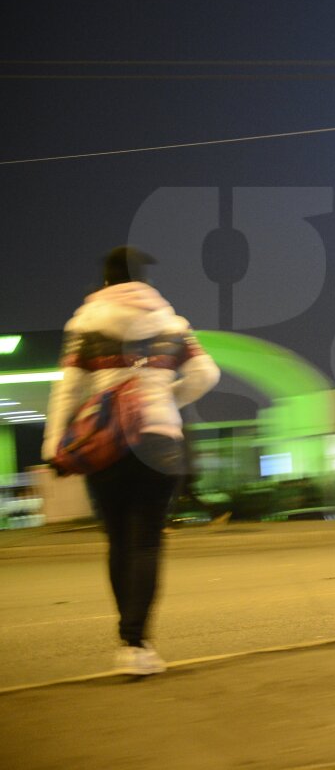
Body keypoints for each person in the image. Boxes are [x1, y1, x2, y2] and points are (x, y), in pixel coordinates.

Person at [42, 246, 220, 675]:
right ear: (145, 280)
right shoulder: (170, 323)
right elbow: (206, 374)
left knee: (119, 542)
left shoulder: (85, 324)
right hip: (157, 441)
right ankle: (139, 645)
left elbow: (68, 389)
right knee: (146, 543)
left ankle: (127, 641)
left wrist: (54, 446)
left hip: (105, 444)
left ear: (105, 280)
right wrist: (167, 399)